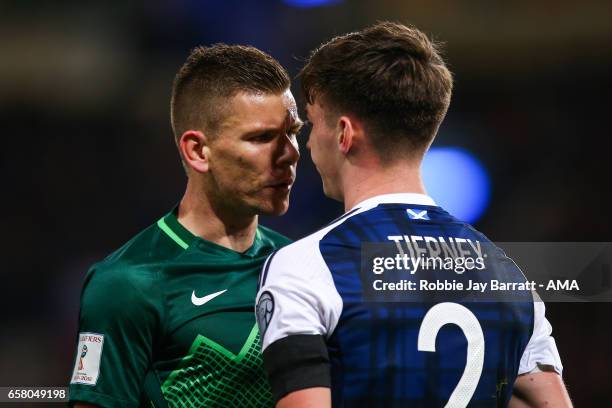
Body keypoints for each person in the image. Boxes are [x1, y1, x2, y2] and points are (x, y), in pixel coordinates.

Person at [255, 22, 572, 408]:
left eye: (313, 122)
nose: (307, 141)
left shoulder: (305, 267)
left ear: (343, 133)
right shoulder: (511, 277)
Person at [69, 44, 302, 408]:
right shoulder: (128, 283)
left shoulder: (300, 266)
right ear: (197, 151)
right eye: (261, 138)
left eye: (293, 132)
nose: (289, 153)